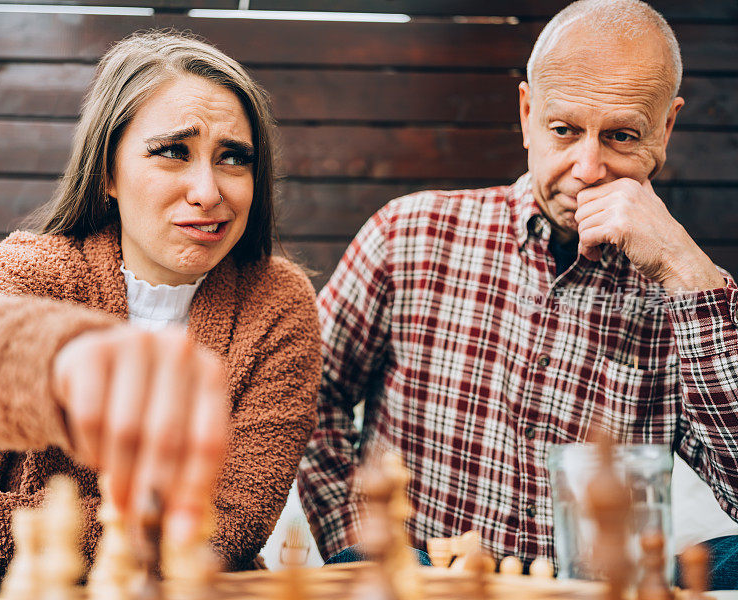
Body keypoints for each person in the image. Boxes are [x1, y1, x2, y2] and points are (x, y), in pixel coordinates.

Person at [298, 0, 738, 588]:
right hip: (425, 579)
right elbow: (307, 393)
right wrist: (360, 542)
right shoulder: (408, 235)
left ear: (665, 129)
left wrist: (688, 273)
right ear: (527, 112)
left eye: (622, 136)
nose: (588, 167)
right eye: (564, 130)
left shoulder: (690, 298)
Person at [0, 30, 320, 590]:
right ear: (108, 173)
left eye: (233, 159)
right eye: (173, 152)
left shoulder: (279, 301)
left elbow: (228, 531)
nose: (207, 191)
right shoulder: (41, 267)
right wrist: (65, 356)